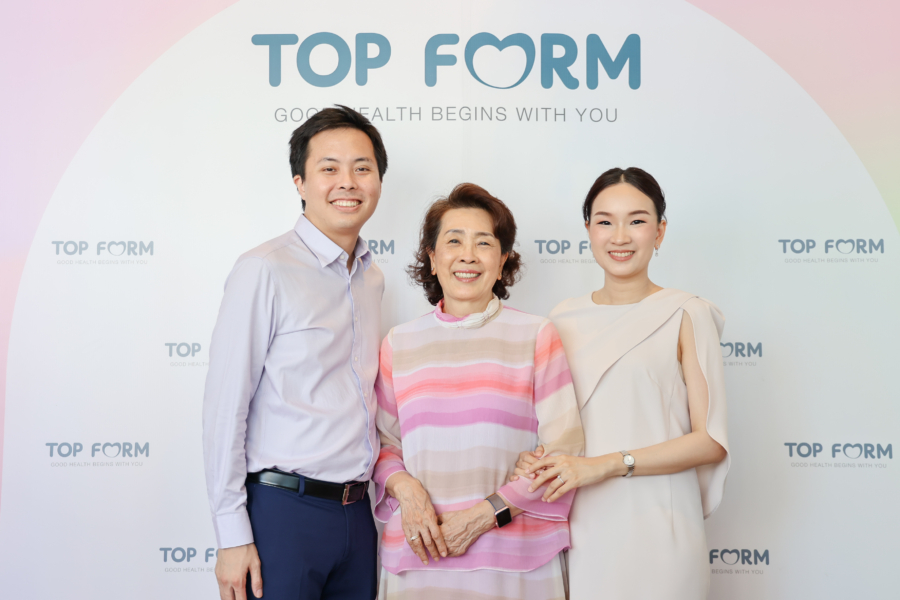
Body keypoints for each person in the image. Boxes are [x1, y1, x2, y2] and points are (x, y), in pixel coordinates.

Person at [515, 167, 731, 599]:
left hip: (661, 519)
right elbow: (558, 428)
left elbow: (710, 441)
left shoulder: (687, 312)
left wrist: (608, 464)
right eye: (605, 221)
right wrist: (535, 458)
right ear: (588, 230)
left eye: (636, 220)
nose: (620, 236)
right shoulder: (560, 319)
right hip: (582, 523)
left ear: (660, 231)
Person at [202, 105, 388, 600]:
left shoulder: (371, 277)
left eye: (362, 168)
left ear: (378, 181)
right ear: (300, 183)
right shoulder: (264, 268)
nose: (347, 182)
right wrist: (232, 535)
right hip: (283, 513)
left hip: (358, 515)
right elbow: (225, 407)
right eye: (329, 168)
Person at [372, 183, 585, 599]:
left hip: (516, 560)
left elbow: (563, 452)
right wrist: (406, 491)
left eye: (484, 242)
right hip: (420, 555)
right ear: (432, 258)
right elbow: (382, 445)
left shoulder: (536, 335)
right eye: (454, 241)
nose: (468, 255)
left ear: (503, 260)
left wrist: (485, 515)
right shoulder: (399, 343)